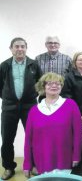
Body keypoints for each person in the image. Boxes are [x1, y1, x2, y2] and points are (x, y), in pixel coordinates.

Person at [23, 72, 82, 178]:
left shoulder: (71, 105)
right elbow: (28, 139)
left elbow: (78, 134)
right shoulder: (34, 110)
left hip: (64, 160)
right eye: (50, 83)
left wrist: (76, 156)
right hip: (41, 161)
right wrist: (27, 164)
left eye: (58, 83)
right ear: (43, 86)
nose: (54, 86)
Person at [0, 37, 42, 180]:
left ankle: (34, 164)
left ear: (26, 48)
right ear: (11, 48)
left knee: (34, 137)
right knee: (6, 139)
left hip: (29, 106)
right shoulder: (4, 65)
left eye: (22, 46)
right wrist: (9, 97)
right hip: (9, 107)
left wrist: (33, 95)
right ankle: (8, 167)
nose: (19, 49)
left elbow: (41, 84)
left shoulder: (33, 65)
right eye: (16, 46)